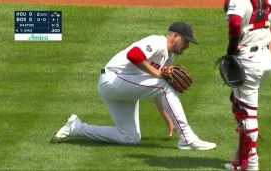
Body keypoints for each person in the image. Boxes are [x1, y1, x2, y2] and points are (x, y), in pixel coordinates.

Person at [50, 21, 217, 150]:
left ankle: (76, 128)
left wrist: (167, 119)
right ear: (174, 36)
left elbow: (156, 91)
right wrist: (158, 74)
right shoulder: (158, 41)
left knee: (130, 138)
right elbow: (133, 55)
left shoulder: (168, 58)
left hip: (121, 87)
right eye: (185, 41)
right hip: (113, 79)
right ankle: (187, 138)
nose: (187, 46)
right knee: (163, 84)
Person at [222, 0, 271, 170]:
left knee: (246, 113)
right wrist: (270, 33)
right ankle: (241, 156)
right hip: (266, 59)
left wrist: (232, 48)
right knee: (238, 102)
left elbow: (234, 23)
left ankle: (250, 162)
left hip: (249, 59)